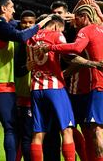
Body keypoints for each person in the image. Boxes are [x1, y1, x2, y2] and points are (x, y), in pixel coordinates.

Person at [40, 4, 103, 161]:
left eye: (76, 18)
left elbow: (77, 49)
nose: (73, 21)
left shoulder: (86, 30)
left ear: (84, 17)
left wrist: (50, 47)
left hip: (95, 85)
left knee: (95, 131)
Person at [0, 0, 51, 161]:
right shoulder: (0, 27)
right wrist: (41, 23)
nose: (14, 10)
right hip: (1, 86)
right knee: (10, 129)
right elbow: (21, 36)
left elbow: (16, 26)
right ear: (3, 8)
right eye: (11, 7)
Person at [27, 14, 76, 161]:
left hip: (36, 88)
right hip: (55, 87)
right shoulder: (56, 35)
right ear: (56, 25)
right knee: (66, 130)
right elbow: (69, 55)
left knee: (38, 133)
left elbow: (29, 63)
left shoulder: (30, 38)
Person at [14, 10, 37, 161]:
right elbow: (16, 70)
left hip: (38, 95)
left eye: (31, 23)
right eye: (24, 22)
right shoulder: (16, 41)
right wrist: (26, 68)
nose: (27, 25)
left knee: (34, 135)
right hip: (22, 96)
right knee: (24, 136)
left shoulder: (40, 41)